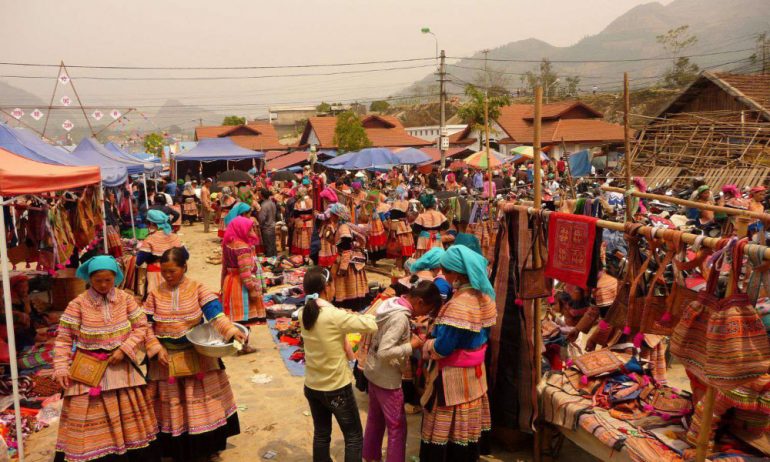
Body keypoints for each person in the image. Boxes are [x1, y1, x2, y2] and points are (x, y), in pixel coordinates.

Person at [53, 256, 159, 462]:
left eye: (108, 280)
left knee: (129, 418)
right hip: (88, 369)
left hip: (121, 366)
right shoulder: (77, 304)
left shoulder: (126, 299)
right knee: (85, 419)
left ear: (116, 278)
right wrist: (61, 367)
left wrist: (125, 349)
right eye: (98, 280)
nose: (103, 285)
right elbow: (64, 338)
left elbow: (141, 326)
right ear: (89, 279)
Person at [144, 248, 246, 462]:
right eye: (164, 271)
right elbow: (145, 325)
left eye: (172, 271)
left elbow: (215, 314)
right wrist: (154, 346)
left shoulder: (198, 288)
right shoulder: (154, 294)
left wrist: (231, 331)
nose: (168, 276)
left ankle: (205, 448)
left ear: (184, 268)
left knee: (200, 403)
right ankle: (174, 450)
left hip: (196, 355)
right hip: (165, 360)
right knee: (170, 405)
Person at [420, 245, 496, 462]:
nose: (445, 276)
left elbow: (444, 347)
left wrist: (427, 346)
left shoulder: (460, 305)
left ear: (457, 273)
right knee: (467, 420)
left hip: (452, 375)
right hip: (474, 373)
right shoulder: (484, 296)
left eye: (447, 272)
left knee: (447, 423)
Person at [299, 266, 378, 462]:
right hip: (335, 388)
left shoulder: (303, 312)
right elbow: (371, 325)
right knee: (353, 437)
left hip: (312, 385)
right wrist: (375, 309)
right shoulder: (333, 315)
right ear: (327, 287)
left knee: (321, 434)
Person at [363, 280, 442, 462]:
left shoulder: (391, 304)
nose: (424, 315)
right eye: (426, 310)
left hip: (373, 371)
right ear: (420, 302)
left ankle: (370, 456)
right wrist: (411, 345)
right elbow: (385, 352)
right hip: (387, 379)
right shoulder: (400, 318)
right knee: (397, 427)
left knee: (375, 419)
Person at [221, 216, 267, 332]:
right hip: (241, 286)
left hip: (229, 281)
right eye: (249, 230)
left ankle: (235, 343)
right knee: (244, 317)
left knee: (234, 315)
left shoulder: (228, 243)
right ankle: (243, 345)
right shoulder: (243, 248)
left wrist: (222, 284)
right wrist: (251, 290)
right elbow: (245, 272)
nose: (252, 233)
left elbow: (224, 267)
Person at [327, 204, 369, 310]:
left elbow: (346, 248)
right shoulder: (340, 226)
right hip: (347, 259)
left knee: (346, 285)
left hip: (349, 262)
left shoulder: (343, 228)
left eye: (332, 214)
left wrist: (343, 267)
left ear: (337, 215)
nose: (330, 216)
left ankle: (350, 306)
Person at [137, 210, 186, 297]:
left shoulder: (150, 239)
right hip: (175, 272)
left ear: (151, 223)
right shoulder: (175, 237)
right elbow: (186, 255)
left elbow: (140, 260)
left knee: (157, 297)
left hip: (156, 273)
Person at [386, 187, 415, 272]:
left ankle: (398, 270)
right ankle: (406, 270)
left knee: (398, 252)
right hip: (404, 227)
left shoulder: (393, 203)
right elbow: (409, 216)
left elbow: (389, 215)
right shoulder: (407, 203)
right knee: (407, 251)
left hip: (395, 228)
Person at [413, 192, 448, 258]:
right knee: (437, 256)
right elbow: (446, 226)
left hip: (424, 241)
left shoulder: (421, 216)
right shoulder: (439, 214)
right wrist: (438, 231)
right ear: (433, 205)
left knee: (424, 258)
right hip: (436, 239)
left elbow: (415, 230)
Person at [291, 188, 314, 258]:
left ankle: (302, 255)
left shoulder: (297, 203)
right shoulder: (311, 201)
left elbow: (296, 215)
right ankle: (310, 255)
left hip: (300, 223)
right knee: (309, 239)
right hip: (309, 223)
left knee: (301, 240)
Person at [257, 188, 278, 257]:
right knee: (273, 245)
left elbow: (261, 218)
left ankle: (270, 262)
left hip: (266, 228)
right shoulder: (272, 203)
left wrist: (260, 225)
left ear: (262, 195)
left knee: (268, 246)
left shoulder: (264, 205)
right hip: (272, 226)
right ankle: (274, 260)